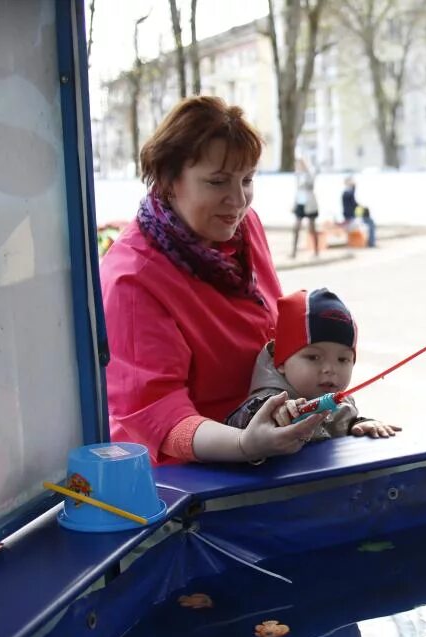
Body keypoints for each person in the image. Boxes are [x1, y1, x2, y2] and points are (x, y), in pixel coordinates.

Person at [101, 96, 327, 465]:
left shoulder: (242, 227)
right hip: (188, 480)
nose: (238, 200)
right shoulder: (132, 278)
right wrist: (243, 444)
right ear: (168, 181)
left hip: (269, 445)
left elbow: (275, 338)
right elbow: (159, 415)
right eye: (217, 182)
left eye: (248, 180)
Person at [226, 288, 401, 439]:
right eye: (313, 357)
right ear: (281, 362)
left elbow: (339, 424)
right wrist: (273, 413)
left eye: (343, 359)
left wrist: (360, 424)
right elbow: (235, 425)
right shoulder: (266, 402)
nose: (330, 369)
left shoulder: (341, 402)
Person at [292, 156, 320, 258]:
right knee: (296, 228)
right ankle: (294, 252)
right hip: (300, 203)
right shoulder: (297, 175)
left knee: (312, 228)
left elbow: (311, 183)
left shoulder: (309, 174)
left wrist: (307, 170)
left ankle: (316, 251)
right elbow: (297, 190)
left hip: (310, 204)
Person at [341, 176, 377, 248]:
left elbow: (354, 203)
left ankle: (371, 242)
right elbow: (353, 202)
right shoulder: (346, 194)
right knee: (370, 223)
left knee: (370, 222)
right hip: (351, 218)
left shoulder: (348, 193)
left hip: (353, 217)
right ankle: (371, 243)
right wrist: (354, 187)